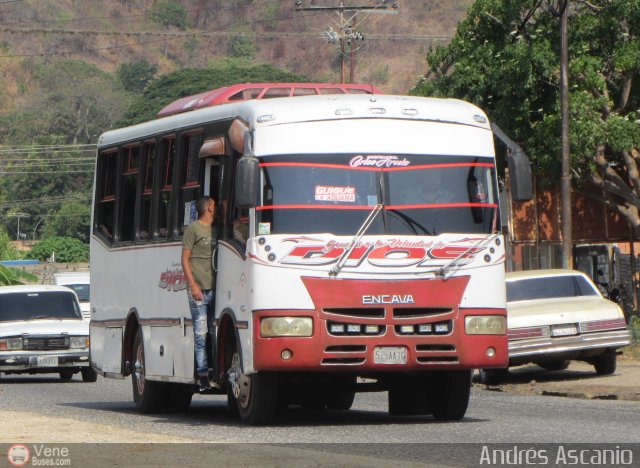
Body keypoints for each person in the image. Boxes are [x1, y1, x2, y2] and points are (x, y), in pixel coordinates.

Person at [181, 196, 217, 391]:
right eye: (215, 205)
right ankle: (202, 374)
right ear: (209, 208)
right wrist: (193, 286)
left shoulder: (217, 230)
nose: (217, 207)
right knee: (200, 333)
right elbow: (185, 260)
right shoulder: (193, 229)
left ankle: (216, 370)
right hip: (199, 291)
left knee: (214, 331)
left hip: (215, 289)